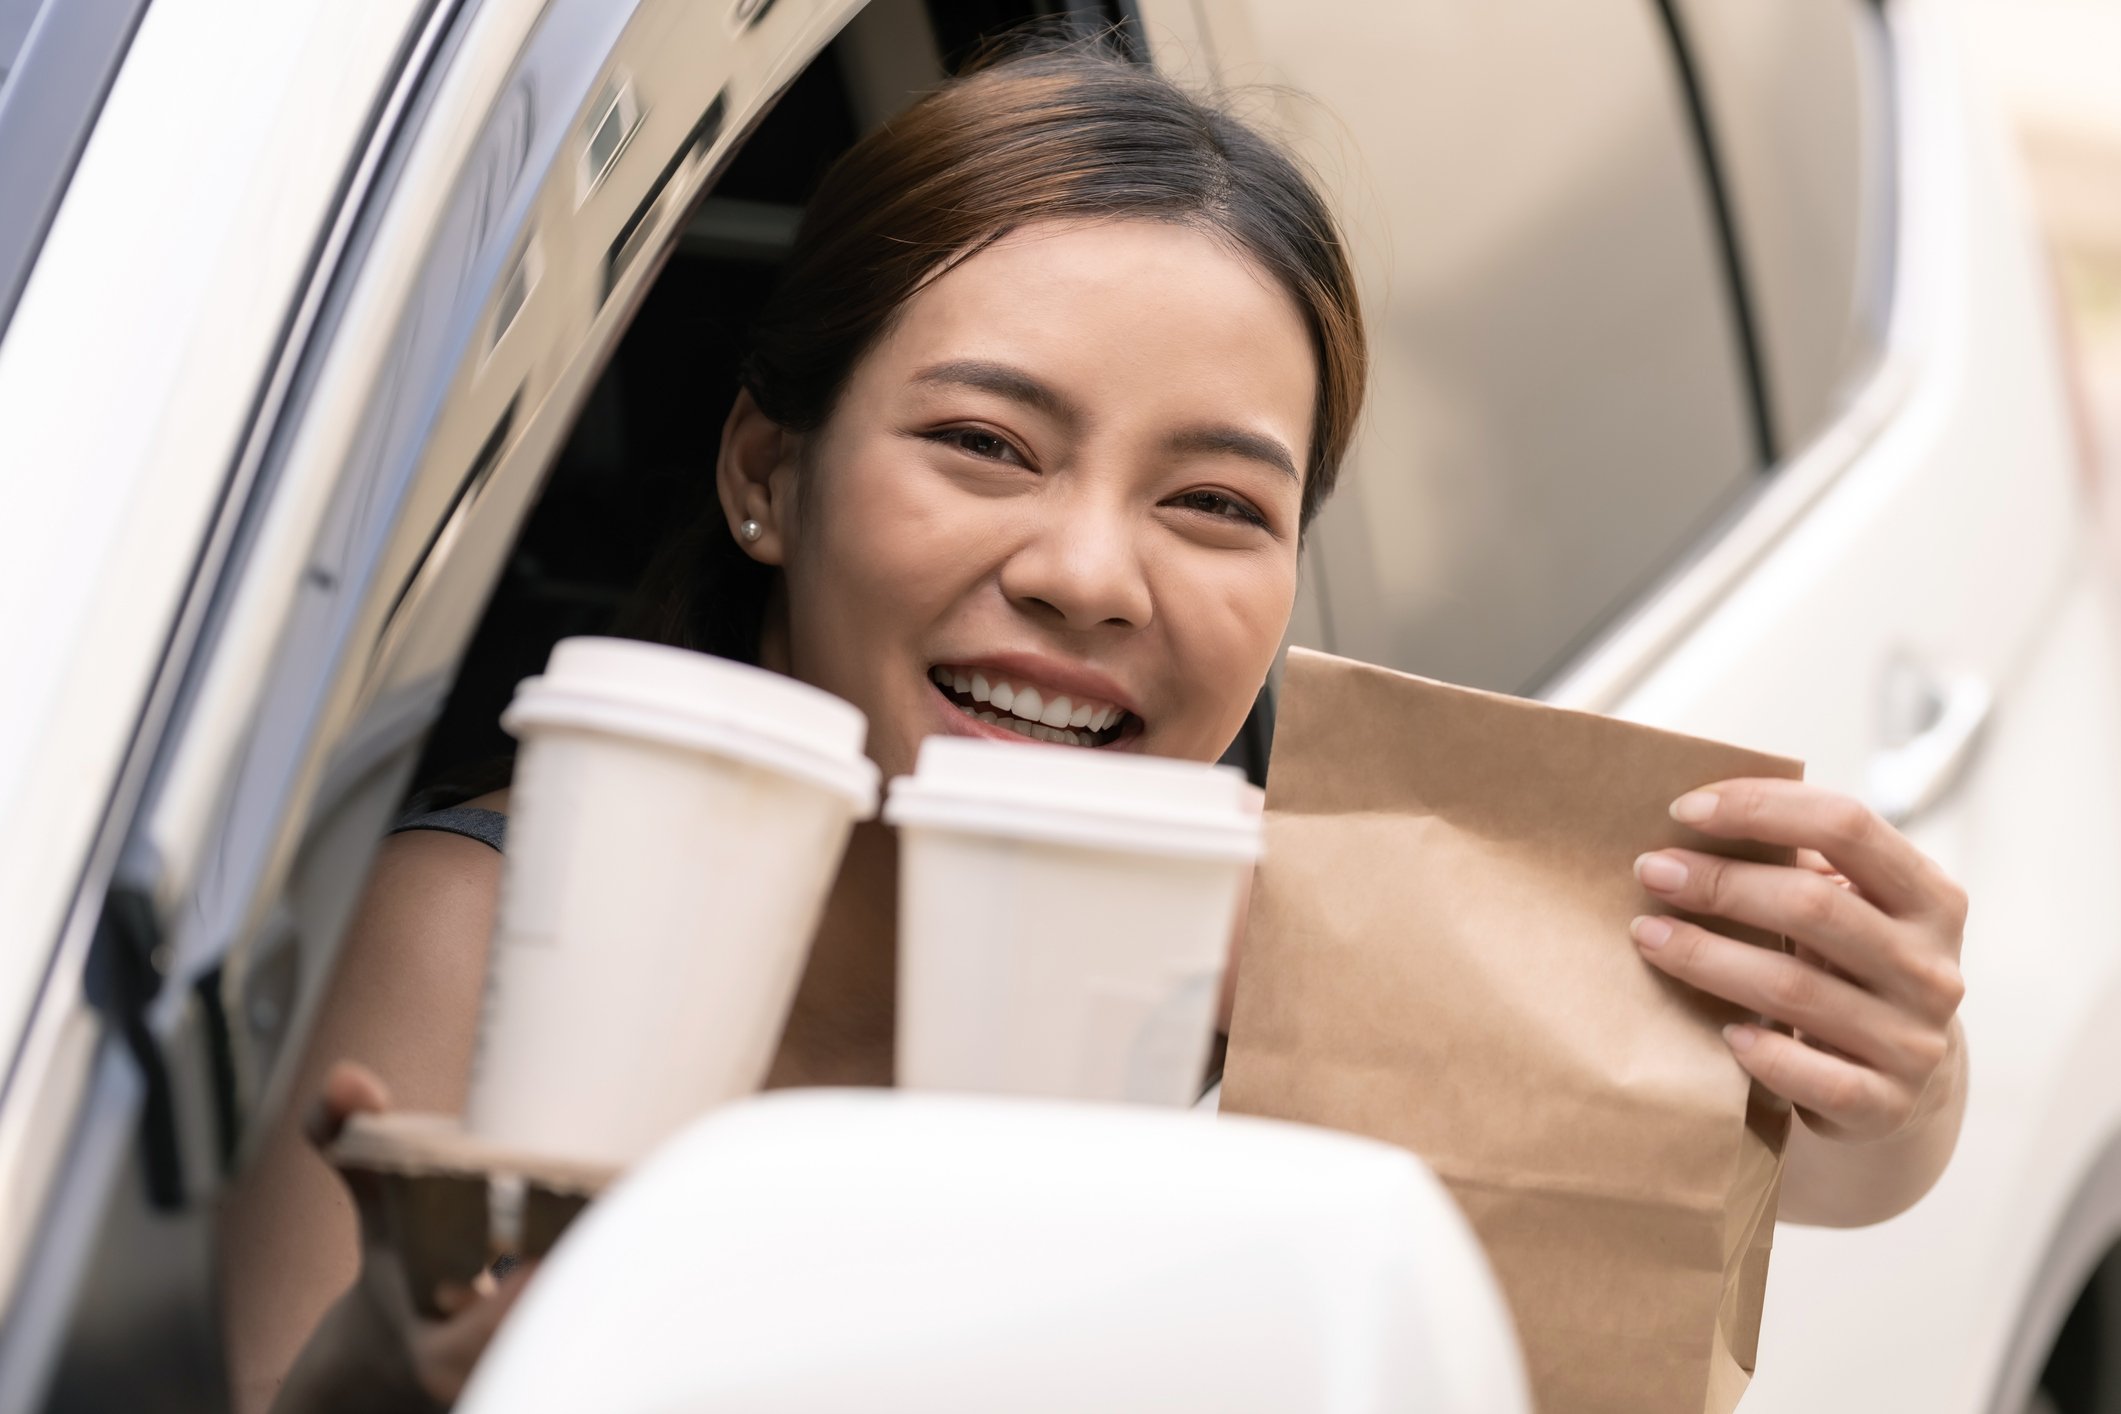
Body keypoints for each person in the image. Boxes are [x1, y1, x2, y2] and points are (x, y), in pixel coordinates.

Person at [219, 33, 1972, 1413]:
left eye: (1214, 503)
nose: (1085, 572)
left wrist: (1894, 1074)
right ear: (770, 473)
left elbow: (1783, 1176)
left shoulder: (1340, 949)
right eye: (984, 443)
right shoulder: (511, 935)